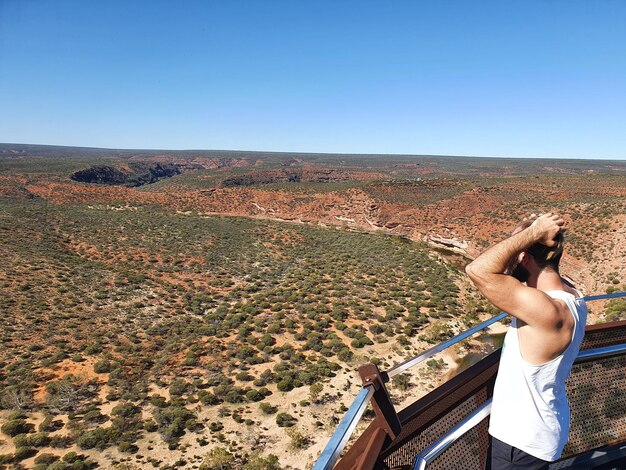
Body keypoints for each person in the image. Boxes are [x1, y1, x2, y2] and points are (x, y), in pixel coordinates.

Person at [465, 213, 587, 470]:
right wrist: (531, 234)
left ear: (525, 257)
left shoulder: (547, 310)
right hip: (538, 432)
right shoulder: (572, 295)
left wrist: (529, 235)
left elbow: (476, 270)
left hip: (521, 442)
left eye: (516, 247)